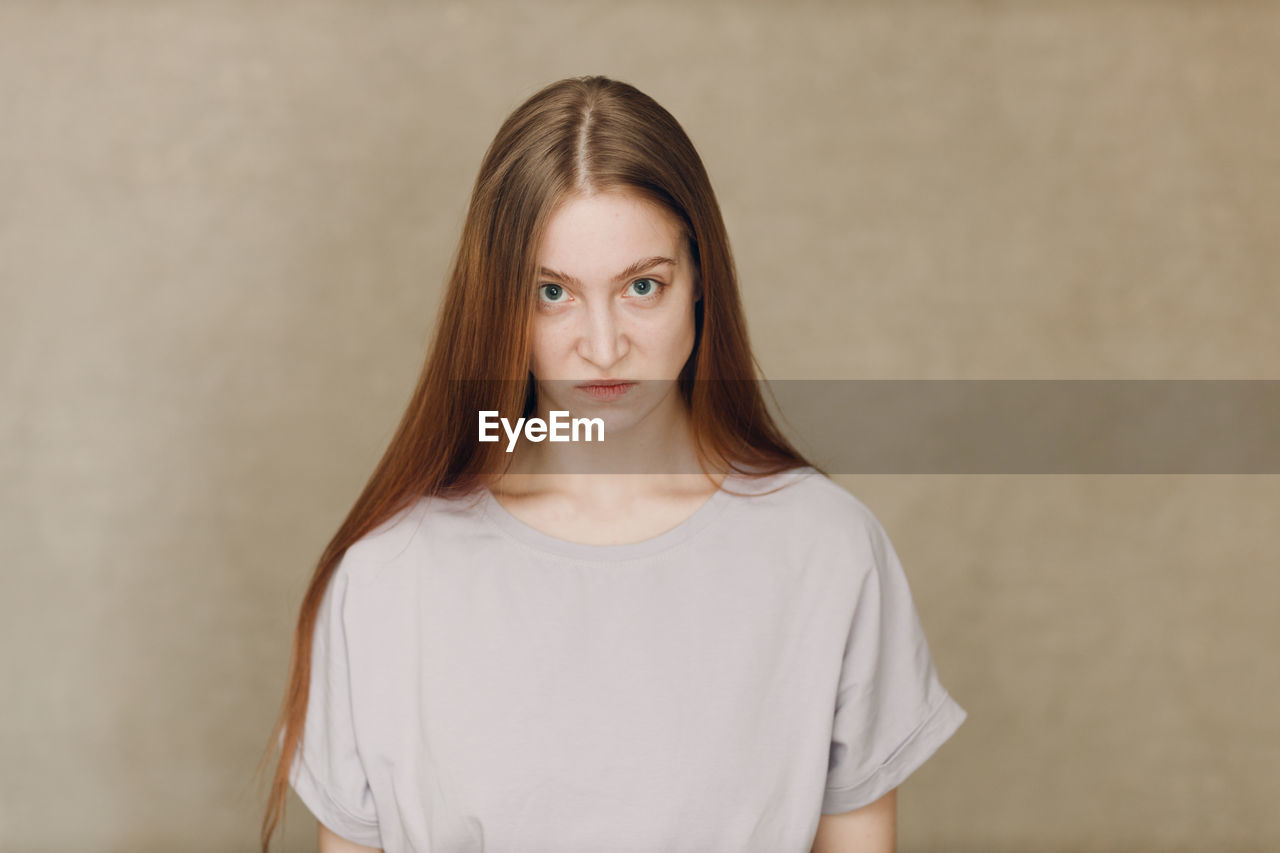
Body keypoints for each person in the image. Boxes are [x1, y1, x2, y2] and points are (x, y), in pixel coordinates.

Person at [257, 75, 966, 853]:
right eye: (554, 291)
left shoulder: (829, 552)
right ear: (500, 305)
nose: (602, 344)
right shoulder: (387, 578)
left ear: (701, 285)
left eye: (641, 286)